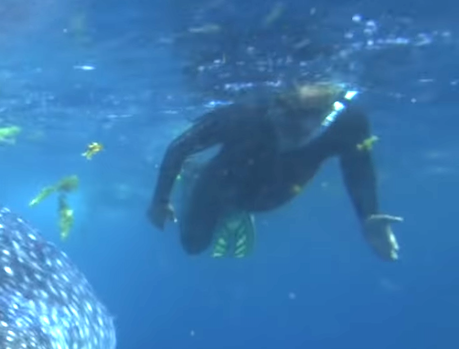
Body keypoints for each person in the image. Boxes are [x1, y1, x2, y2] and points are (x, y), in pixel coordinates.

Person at [147, 83, 403, 261]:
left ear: (325, 115)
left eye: (300, 126)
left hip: (268, 195)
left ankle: (232, 207)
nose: (289, 134)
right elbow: (180, 147)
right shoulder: (246, 112)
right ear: (275, 106)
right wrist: (160, 199)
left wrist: (369, 216)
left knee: (249, 206)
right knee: (193, 246)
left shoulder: (347, 122)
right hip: (219, 184)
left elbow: (357, 168)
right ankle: (194, 177)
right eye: (285, 120)